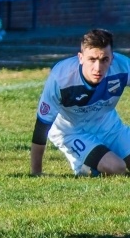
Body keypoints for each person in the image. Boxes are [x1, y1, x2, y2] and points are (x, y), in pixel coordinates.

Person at [31, 29, 130, 177]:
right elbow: (41, 127)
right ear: (81, 58)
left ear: (112, 58)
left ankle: (101, 156)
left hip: (108, 125)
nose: (98, 68)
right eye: (92, 59)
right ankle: (84, 165)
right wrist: (36, 172)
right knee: (117, 168)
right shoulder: (61, 78)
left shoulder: (123, 67)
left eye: (104, 60)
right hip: (71, 130)